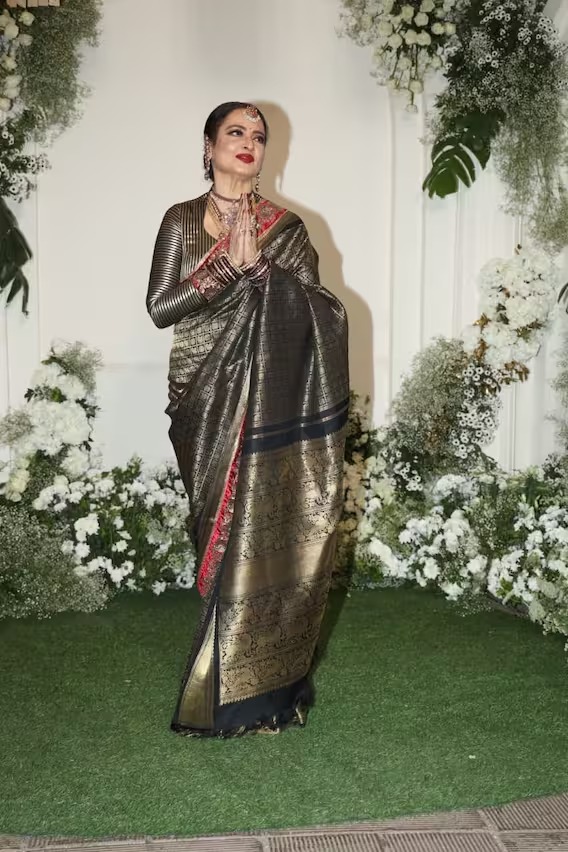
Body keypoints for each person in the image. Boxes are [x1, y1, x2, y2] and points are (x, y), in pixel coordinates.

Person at [146, 101, 349, 737]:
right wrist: (227, 269)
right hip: (202, 394)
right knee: (213, 526)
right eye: (235, 132)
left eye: (258, 136)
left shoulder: (285, 228)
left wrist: (263, 269)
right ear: (209, 146)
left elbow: (323, 313)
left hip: (268, 399)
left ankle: (250, 690)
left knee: (255, 528)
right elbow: (160, 307)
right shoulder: (181, 219)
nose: (249, 143)